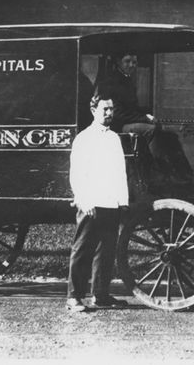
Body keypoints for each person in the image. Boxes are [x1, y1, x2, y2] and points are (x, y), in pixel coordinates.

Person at [66, 93, 129, 312]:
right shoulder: (84, 138)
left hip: (111, 203)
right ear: (93, 111)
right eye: (105, 109)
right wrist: (85, 200)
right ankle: (74, 297)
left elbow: (120, 172)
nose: (110, 113)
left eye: (111, 109)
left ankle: (100, 295)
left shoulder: (113, 138)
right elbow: (77, 174)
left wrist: (123, 200)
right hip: (91, 203)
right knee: (83, 249)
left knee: (106, 251)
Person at [96, 52, 194, 185]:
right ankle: (158, 174)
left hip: (128, 122)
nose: (132, 65)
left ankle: (185, 175)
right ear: (118, 62)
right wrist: (144, 118)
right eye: (127, 61)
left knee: (170, 136)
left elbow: (133, 108)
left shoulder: (127, 80)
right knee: (151, 130)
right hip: (118, 125)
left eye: (134, 62)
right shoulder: (112, 82)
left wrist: (147, 116)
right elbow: (117, 113)